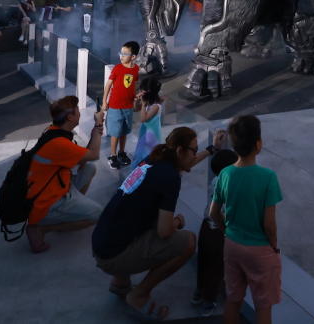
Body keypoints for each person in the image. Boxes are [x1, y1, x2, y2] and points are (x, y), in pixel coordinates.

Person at [91, 127, 211, 320]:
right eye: (194, 150)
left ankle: (120, 282)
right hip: (112, 255)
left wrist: (212, 149)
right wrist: (178, 221)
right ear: (180, 151)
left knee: (137, 219)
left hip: (101, 243)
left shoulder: (153, 160)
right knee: (188, 242)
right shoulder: (170, 177)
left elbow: (188, 163)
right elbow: (164, 232)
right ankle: (139, 294)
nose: (195, 155)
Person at [211, 114, 284, 324]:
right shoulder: (268, 177)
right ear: (258, 144)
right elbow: (269, 224)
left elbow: (213, 213)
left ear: (233, 145)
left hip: (232, 245)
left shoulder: (225, 174)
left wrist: (227, 230)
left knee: (233, 299)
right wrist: (274, 246)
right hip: (259, 250)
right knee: (263, 304)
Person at [25, 95, 104, 254]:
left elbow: (83, 158)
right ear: (70, 117)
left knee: (89, 168)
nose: (80, 113)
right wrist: (98, 124)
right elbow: (94, 154)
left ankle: (69, 213)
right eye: (77, 111)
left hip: (53, 186)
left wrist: (95, 131)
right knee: (98, 215)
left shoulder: (53, 132)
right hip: (47, 201)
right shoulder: (59, 143)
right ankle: (43, 228)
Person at [193, 146, 238, 313]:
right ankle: (208, 300)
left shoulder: (215, 181)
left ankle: (198, 291)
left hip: (206, 227)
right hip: (219, 230)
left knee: (204, 261)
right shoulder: (229, 186)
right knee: (217, 266)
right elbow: (226, 212)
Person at [103, 42, 141, 169]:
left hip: (128, 106)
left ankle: (121, 153)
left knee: (124, 130)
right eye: (121, 53)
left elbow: (133, 85)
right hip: (115, 106)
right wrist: (104, 101)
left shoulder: (136, 69)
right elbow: (108, 85)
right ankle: (113, 155)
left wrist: (135, 97)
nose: (121, 56)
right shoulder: (118, 68)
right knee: (115, 132)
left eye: (125, 54)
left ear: (134, 56)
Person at [128, 76, 165, 170]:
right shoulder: (149, 101)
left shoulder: (156, 106)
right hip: (145, 131)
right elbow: (135, 109)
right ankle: (140, 166)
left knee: (147, 152)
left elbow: (143, 118)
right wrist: (136, 101)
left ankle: (145, 168)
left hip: (152, 134)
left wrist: (144, 104)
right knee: (141, 149)